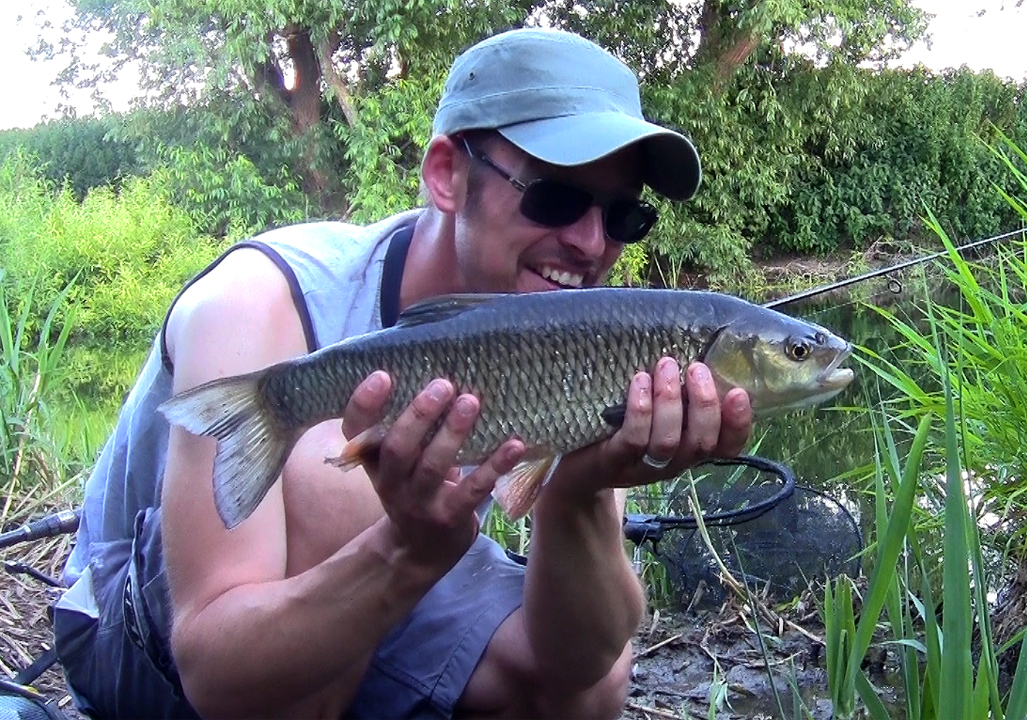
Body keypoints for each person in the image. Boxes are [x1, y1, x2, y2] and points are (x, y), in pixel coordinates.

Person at [51, 26, 754, 720]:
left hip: (372, 578)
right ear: (447, 175)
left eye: (624, 216)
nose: (591, 242)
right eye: (556, 198)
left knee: (594, 680)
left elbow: (581, 666)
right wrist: (408, 554)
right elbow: (214, 670)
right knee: (339, 478)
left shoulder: (592, 340)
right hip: (143, 631)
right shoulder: (260, 302)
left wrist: (581, 489)